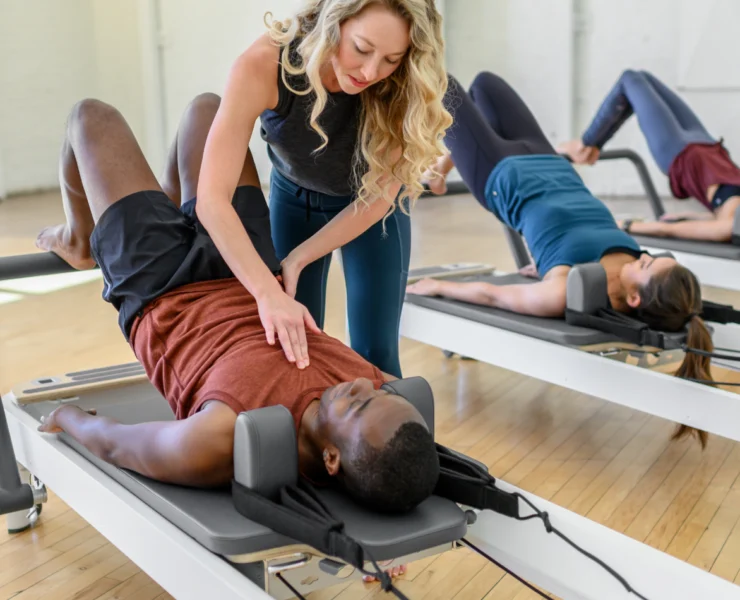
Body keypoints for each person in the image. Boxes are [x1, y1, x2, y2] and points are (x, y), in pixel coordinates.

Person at [35, 94, 439, 520]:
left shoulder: (222, 437)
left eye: (358, 404)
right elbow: (412, 465)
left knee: (90, 116)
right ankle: (172, 211)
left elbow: (118, 443)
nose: (362, 383)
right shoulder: (374, 399)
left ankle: (82, 239)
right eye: (377, 391)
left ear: (332, 460)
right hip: (250, 273)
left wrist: (68, 415)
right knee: (209, 110)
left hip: (163, 292)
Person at [409, 71, 713, 447]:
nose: (645, 256)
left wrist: (437, 286)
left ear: (634, 299)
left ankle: (441, 163)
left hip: (499, 173)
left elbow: (492, 295)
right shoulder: (619, 263)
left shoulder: (559, 292)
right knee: (486, 84)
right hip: (548, 159)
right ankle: (442, 165)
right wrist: (546, 263)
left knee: (437, 80)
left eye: (647, 265)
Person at [194, 0, 452, 378]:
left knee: (374, 354)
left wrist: (300, 258)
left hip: (369, 209)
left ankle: (404, 436)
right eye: (362, 49)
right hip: (293, 198)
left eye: (391, 59)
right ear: (334, 22)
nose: (370, 71)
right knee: (296, 345)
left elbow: (378, 198)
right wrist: (267, 292)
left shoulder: (403, 86)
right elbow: (212, 199)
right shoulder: (264, 65)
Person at [558, 69, 740, 242]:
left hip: (678, 154)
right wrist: (689, 217)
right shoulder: (729, 221)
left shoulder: (727, 227)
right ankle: (590, 147)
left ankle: (586, 146)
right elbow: (722, 213)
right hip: (708, 145)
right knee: (642, 77)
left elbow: (668, 230)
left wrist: (627, 225)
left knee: (630, 79)